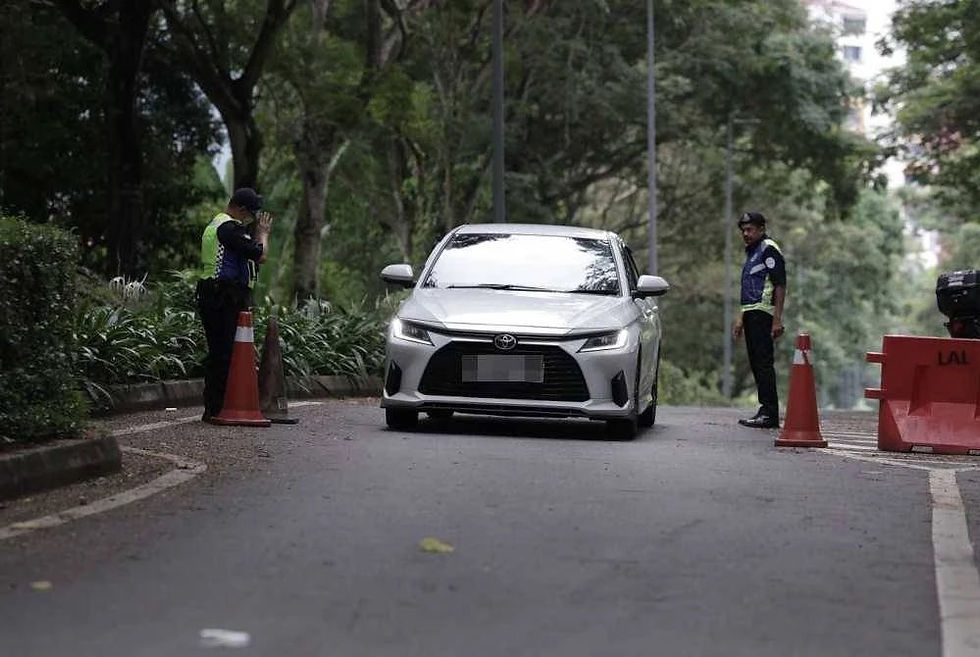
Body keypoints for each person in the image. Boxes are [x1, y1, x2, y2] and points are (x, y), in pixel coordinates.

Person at [196, 188, 273, 423]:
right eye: (249, 214)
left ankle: (215, 406)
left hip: (214, 294)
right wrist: (263, 233)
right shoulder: (228, 228)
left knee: (221, 351)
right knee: (224, 353)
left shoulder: (216, 225)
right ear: (240, 208)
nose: (249, 219)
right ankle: (216, 408)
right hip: (223, 297)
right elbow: (260, 254)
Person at [732, 211, 786, 429]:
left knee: (764, 364)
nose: (746, 233)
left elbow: (780, 284)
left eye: (750, 229)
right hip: (751, 313)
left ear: (761, 229)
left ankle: (770, 413)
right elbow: (750, 290)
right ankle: (765, 410)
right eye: (743, 230)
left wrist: (777, 319)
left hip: (764, 314)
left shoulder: (768, 249)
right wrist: (740, 319)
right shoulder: (753, 252)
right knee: (756, 363)